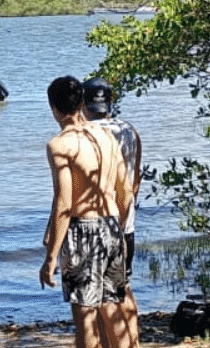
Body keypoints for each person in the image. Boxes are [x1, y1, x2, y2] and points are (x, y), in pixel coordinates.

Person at [40, 76, 135, 348]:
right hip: (112, 225)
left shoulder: (60, 145)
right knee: (114, 311)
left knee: (86, 319)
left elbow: (64, 203)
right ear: (82, 103)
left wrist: (51, 258)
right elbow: (125, 192)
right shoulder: (106, 137)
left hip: (84, 232)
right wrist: (118, 228)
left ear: (53, 108)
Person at [82, 77, 142, 347]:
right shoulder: (129, 131)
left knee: (98, 301)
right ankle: (134, 342)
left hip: (98, 225)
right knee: (122, 289)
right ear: (111, 100)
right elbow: (134, 182)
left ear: (83, 104)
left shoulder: (84, 135)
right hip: (126, 223)